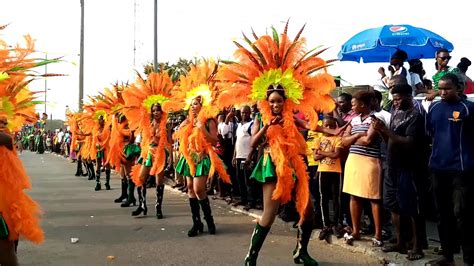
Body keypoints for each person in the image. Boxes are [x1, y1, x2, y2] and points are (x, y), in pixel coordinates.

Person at [217, 24, 336, 266]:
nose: (275, 104)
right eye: (272, 101)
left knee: (308, 211)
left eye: (279, 101)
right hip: (272, 164)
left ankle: (300, 252)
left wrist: (332, 129)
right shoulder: (263, 116)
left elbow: (309, 126)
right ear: (267, 102)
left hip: (294, 163)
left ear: (285, 100)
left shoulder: (292, 116)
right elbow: (256, 140)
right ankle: (251, 257)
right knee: (269, 215)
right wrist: (268, 125)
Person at [167, 61, 231, 237]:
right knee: (189, 187)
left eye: (196, 103)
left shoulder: (209, 121)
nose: (193, 106)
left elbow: (214, 139)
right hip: (189, 157)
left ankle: (209, 220)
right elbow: (178, 136)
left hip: (202, 157)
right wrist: (183, 129)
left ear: (203, 105)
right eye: (192, 104)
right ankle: (197, 223)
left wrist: (201, 128)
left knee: (199, 189)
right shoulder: (187, 121)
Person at [374, 84, 428, 261]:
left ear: (408, 96)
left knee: (413, 208)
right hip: (392, 166)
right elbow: (390, 139)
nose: (395, 103)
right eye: (394, 99)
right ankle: (400, 242)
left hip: (410, 167)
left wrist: (385, 130)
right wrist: (380, 131)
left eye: (398, 99)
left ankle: (417, 245)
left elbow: (408, 142)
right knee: (393, 205)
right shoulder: (396, 113)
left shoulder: (416, 116)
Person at [426, 73, 474, 266]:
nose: (443, 93)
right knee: (442, 213)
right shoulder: (435, 107)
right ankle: (448, 256)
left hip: (462, 170)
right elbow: (430, 133)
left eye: (448, 89)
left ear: (459, 89)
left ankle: (469, 259)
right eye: (441, 89)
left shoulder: (469, 109)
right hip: (438, 168)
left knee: (463, 213)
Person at [122, 72, 174, 218]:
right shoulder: (148, 123)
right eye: (154, 110)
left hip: (160, 154)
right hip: (147, 153)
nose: (156, 112)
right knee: (140, 178)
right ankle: (142, 205)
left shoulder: (166, 125)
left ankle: (158, 208)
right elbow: (144, 139)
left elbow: (168, 142)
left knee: (159, 181)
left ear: (162, 111)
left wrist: (170, 159)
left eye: (158, 110)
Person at [341, 91, 384, 247]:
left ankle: (378, 234)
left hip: (370, 162)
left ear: (363, 105)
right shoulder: (353, 121)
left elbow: (368, 140)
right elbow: (343, 141)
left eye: (354, 104)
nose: (352, 107)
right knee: (354, 196)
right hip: (354, 161)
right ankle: (355, 230)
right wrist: (355, 137)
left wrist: (352, 138)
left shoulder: (375, 120)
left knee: (374, 198)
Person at [313, 116, 343, 242]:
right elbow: (315, 157)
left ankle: (336, 224)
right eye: (326, 126)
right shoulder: (318, 139)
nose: (329, 128)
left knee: (336, 198)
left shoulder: (338, 139)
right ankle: (326, 225)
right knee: (323, 198)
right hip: (322, 172)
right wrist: (328, 152)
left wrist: (322, 153)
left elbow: (336, 154)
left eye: (332, 126)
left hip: (335, 172)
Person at [232, 105, 259, 210]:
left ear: (249, 113)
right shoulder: (239, 125)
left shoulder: (252, 125)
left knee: (248, 180)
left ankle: (251, 201)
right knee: (240, 180)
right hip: (239, 156)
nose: (244, 115)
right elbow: (237, 141)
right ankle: (243, 199)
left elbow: (254, 142)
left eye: (246, 113)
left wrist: (249, 157)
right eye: (242, 113)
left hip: (247, 157)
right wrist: (234, 156)